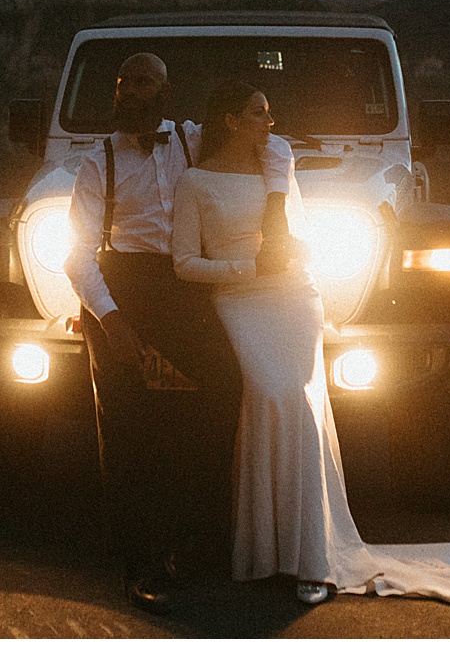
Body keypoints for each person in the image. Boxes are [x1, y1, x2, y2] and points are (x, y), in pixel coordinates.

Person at [171, 78, 450, 606]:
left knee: (302, 403)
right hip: (239, 301)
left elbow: (301, 233)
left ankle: (312, 556)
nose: (270, 121)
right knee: (264, 396)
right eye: (259, 113)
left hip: (293, 297)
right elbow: (184, 263)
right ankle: (262, 549)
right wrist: (246, 267)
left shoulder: (277, 167)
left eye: (269, 112)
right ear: (230, 121)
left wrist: (292, 251)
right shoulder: (194, 182)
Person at [63, 52, 295, 613]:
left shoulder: (192, 140)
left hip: (185, 286)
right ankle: (139, 561)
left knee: (223, 389)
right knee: (127, 420)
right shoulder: (97, 163)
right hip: (125, 286)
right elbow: (77, 255)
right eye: (128, 82)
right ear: (117, 91)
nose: (138, 91)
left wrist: (279, 206)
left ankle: (200, 539)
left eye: (150, 82)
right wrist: (112, 320)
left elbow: (276, 144)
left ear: (167, 91)